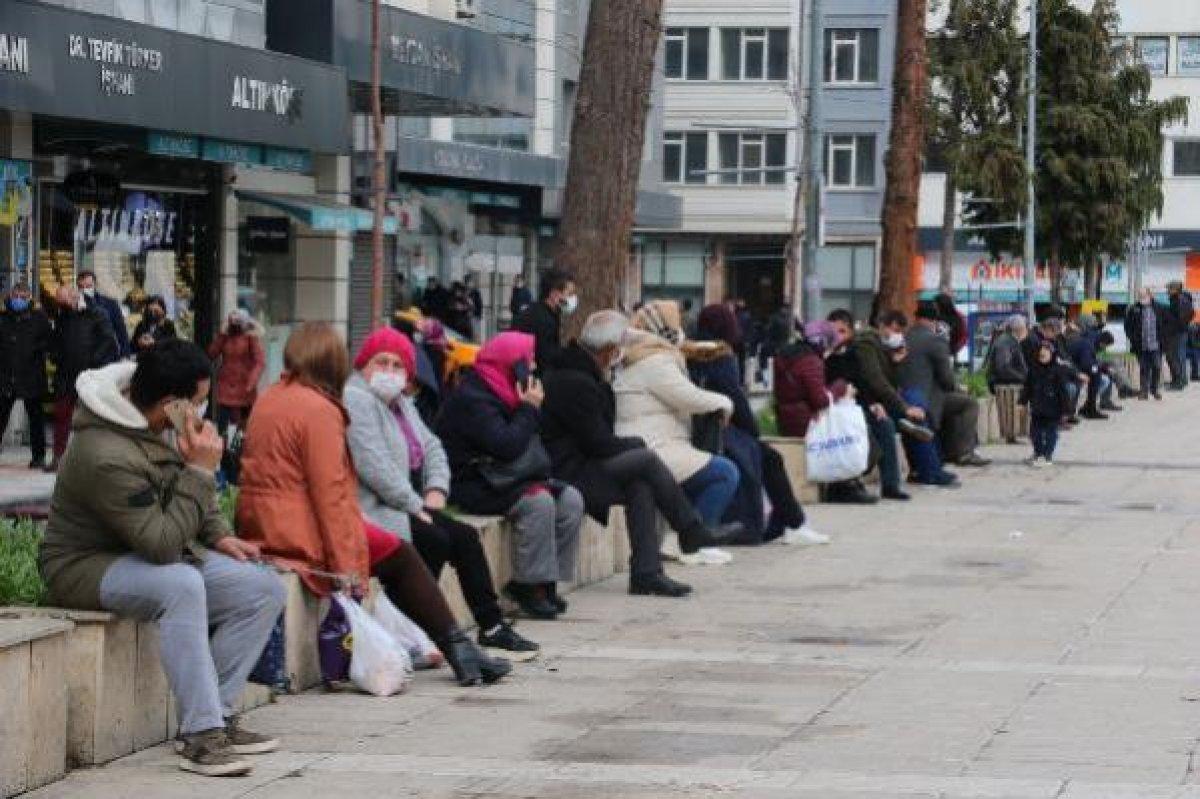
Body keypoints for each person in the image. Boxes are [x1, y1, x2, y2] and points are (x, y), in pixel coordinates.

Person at [39, 339, 285, 777]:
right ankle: (201, 736)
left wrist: (221, 535)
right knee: (181, 584)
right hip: (85, 566)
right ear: (172, 404)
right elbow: (161, 543)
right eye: (199, 403)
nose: (202, 412)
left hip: (143, 555)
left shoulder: (153, 421)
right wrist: (202, 472)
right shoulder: (104, 452)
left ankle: (220, 714)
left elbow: (181, 501)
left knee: (261, 587)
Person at [237, 323, 509, 687]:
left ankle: (460, 648)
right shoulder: (320, 409)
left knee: (411, 547)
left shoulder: (271, 396)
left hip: (263, 520)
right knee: (401, 555)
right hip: (296, 527)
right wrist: (348, 565)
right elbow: (330, 494)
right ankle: (459, 648)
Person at [345, 327, 538, 659]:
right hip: (373, 508)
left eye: (397, 365)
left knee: (464, 537)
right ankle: (416, 630)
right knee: (434, 539)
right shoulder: (357, 398)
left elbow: (433, 446)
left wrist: (436, 488)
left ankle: (491, 626)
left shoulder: (401, 404)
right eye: (381, 362)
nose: (389, 372)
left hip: (405, 503)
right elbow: (372, 464)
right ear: (364, 364)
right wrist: (415, 503)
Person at [541, 311, 737, 595]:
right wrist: (637, 445)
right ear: (607, 351)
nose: (621, 354)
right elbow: (597, 443)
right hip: (568, 470)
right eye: (618, 348)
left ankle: (647, 572)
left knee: (640, 483)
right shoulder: (575, 381)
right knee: (644, 460)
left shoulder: (582, 373)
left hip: (584, 463)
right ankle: (691, 530)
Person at [436, 331, 584, 619]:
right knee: (538, 501)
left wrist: (527, 407)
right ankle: (528, 586)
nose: (532, 368)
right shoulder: (474, 397)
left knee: (570, 499)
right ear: (509, 362)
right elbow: (507, 446)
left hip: (505, 477)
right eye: (527, 361)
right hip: (474, 482)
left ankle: (545, 581)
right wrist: (528, 408)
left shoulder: (509, 389)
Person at [615, 301, 742, 560]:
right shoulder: (655, 360)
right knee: (724, 473)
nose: (681, 328)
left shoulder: (639, 352)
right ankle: (695, 541)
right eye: (677, 322)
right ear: (666, 325)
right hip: (655, 446)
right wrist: (724, 402)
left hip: (650, 442)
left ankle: (685, 538)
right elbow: (686, 396)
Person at [690, 304, 825, 544]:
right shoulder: (720, 354)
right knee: (769, 459)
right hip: (721, 432)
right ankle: (792, 524)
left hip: (700, 429)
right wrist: (753, 431)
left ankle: (789, 522)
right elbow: (736, 399)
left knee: (770, 459)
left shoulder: (690, 351)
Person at [825, 308, 934, 502]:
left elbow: (864, 383)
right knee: (871, 427)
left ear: (850, 332)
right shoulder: (828, 353)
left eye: (842, 332)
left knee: (884, 423)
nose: (837, 336)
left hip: (855, 405)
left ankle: (891, 485)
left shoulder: (852, 353)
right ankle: (848, 484)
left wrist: (873, 403)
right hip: (832, 410)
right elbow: (872, 381)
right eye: (833, 332)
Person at [899, 301, 990, 468]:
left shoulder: (905, 337)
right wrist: (959, 387)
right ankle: (964, 452)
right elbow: (947, 380)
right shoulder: (935, 341)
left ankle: (948, 450)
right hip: (925, 399)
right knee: (969, 403)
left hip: (901, 396)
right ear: (934, 321)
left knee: (953, 401)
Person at [48, 285, 117, 470]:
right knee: (61, 415)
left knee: (93, 418)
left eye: (64, 302)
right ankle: (58, 458)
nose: (62, 306)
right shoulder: (63, 314)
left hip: (89, 375)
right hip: (65, 374)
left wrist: (93, 363)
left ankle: (95, 459)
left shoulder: (97, 312)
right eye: (59, 303)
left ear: (74, 296)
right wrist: (55, 355)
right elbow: (56, 339)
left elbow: (108, 339)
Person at [0, 282, 51, 469]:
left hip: (31, 376)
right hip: (6, 376)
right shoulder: (3, 317)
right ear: (11, 296)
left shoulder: (39, 318)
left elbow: (49, 343)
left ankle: (38, 456)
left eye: (23, 297)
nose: (19, 300)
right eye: (16, 296)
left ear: (29, 297)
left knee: (36, 419)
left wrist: (34, 351)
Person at [207, 309, 266, 435]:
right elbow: (212, 353)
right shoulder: (225, 336)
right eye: (232, 322)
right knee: (222, 427)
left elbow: (259, 362)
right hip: (225, 386)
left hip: (245, 387)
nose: (235, 326)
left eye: (237, 322)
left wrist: (251, 382)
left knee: (246, 428)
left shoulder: (251, 337)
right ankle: (223, 452)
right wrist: (221, 335)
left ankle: (241, 450)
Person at [1020, 339, 1075, 467]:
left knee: (1051, 433)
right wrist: (1022, 402)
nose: (1042, 356)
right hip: (1037, 408)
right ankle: (1038, 453)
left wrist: (1067, 410)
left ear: (1052, 355)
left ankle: (1047, 454)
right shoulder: (1033, 370)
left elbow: (1064, 392)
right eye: (1040, 355)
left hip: (1053, 409)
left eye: (1045, 354)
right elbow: (1027, 388)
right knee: (1035, 433)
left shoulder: (1058, 371)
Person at [514, 267, 577, 372]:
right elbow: (546, 357)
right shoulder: (545, 320)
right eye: (569, 293)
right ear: (554, 293)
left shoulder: (538, 312)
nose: (572, 298)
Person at [984, 315, 1030, 444]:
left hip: (1008, 382)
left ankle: (1013, 435)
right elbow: (1002, 367)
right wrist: (1023, 378)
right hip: (1004, 383)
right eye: (1025, 327)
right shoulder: (1005, 342)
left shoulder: (1009, 340)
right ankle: (1011, 434)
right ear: (1020, 329)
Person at [1124, 287, 1166, 401]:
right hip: (1141, 345)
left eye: (1143, 295)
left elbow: (1166, 324)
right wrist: (1132, 338)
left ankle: (1154, 389)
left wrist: (1164, 339)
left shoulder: (1159, 307)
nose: (1141, 297)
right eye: (1140, 295)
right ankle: (1144, 391)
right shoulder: (1134, 308)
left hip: (1156, 344)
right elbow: (1127, 326)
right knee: (1144, 368)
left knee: (1157, 367)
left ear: (1150, 295)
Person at [77, 269, 130, 359]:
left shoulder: (110, 304)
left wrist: (125, 354)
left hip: (108, 353)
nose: (85, 290)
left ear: (95, 285)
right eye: (82, 287)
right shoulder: (76, 305)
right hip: (86, 355)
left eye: (88, 286)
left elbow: (121, 330)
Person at [1164, 280, 1194, 389]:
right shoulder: (1181, 299)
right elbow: (1191, 314)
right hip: (1181, 331)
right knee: (1179, 355)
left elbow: (1179, 317)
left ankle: (1180, 380)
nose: (1167, 291)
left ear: (1174, 289)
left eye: (1169, 289)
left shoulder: (1179, 300)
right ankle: (1182, 379)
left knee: (1177, 356)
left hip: (1178, 332)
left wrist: (1178, 325)